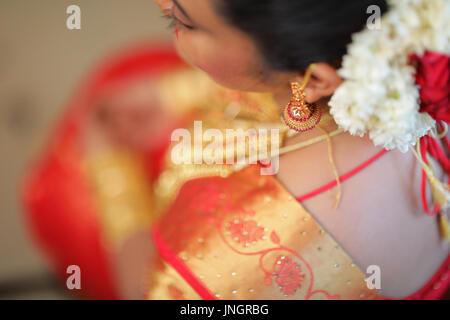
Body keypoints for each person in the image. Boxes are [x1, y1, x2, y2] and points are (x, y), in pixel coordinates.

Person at [24, 0, 449, 300]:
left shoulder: (248, 241)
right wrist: (176, 93)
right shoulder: (423, 62)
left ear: (317, 79)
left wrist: (111, 169)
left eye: (182, 20)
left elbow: (144, 290)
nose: (158, 3)